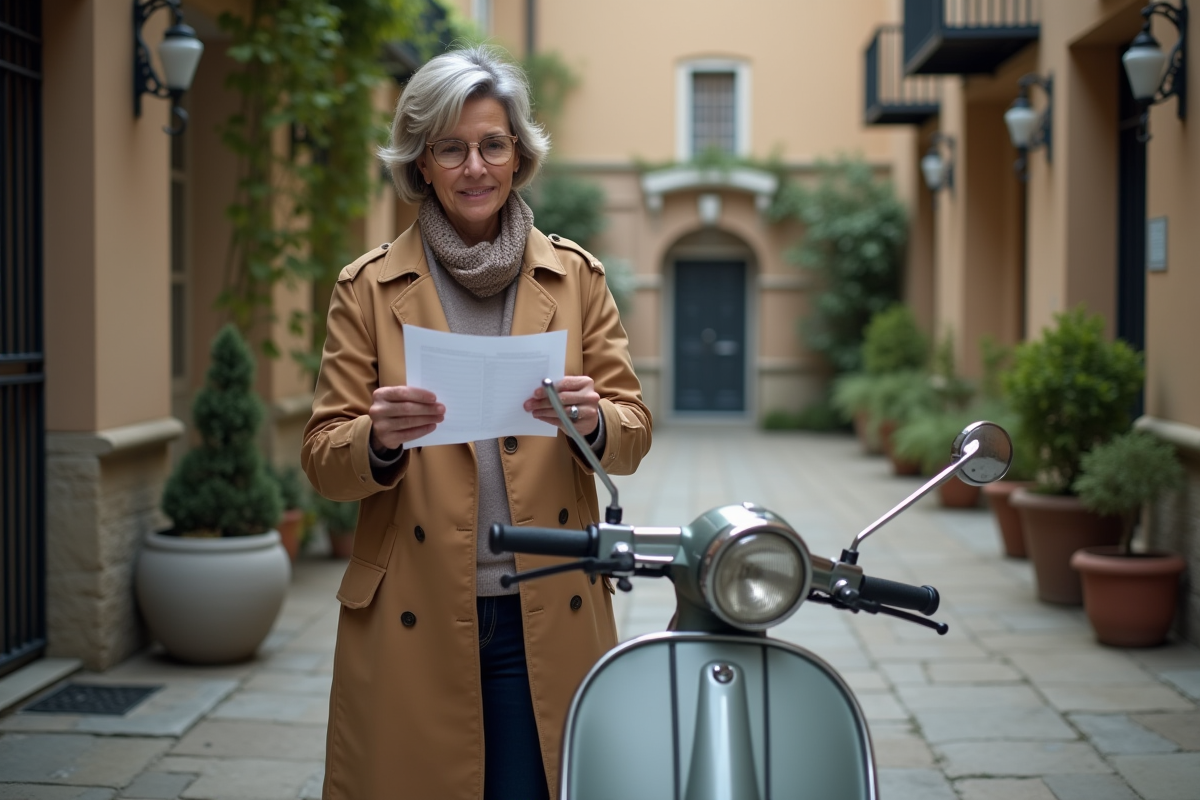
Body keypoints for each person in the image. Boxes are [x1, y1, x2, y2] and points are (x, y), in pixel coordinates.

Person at [301, 44, 652, 800]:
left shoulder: (576, 276)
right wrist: (376, 439)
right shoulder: (366, 287)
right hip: (414, 612)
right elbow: (324, 460)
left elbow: (633, 430)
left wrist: (593, 420)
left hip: (546, 610)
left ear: (518, 154)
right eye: (450, 149)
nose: (474, 168)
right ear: (421, 162)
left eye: (492, 145)